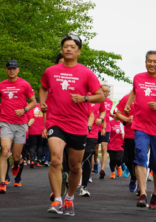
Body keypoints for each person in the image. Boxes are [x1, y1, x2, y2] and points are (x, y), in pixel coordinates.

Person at [41, 35, 103, 216]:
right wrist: (43, 102)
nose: (68, 49)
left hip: (77, 124)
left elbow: (100, 96)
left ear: (78, 51)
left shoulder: (86, 73)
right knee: (55, 159)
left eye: (72, 47)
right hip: (56, 121)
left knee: (75, 166)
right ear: (61, 50)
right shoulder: (51, 71)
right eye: (65, 46)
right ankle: (57, 200)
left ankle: (69, 198)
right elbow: (43, 87)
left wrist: (84, 98)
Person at [124, 50, 156, 210]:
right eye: (149, 61)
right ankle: (142, 193)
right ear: (145, 62)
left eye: (155, 61)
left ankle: (155, 193)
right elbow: (134, 91)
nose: (151, 64)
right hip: (141, 126)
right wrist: (128, 103)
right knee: (140, 155)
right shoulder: (138, 78)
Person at [0, 59, 36, 193]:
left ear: (18, 70)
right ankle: (2, 183)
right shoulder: (0, 85)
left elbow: (33, 102)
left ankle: (16, 164)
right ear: (6, 70)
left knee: (16, 157)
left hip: (21, 123)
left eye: (14, 68)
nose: (11, 71)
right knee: (5, 151)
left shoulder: (24, 84)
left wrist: (24, 110)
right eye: (9, 68)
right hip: (5, 122)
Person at [78, 86, 105, 196]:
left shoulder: (98, 97)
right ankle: (71, 179)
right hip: (77, 131)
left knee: (87, 157)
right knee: (74, 159)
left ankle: (83, 187)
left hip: (92, 133)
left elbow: (103, 111)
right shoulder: (79, 95)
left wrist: (101, 119)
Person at [114, 91, 139, 193]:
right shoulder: (126, 98)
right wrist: (127, 119)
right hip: (129, 134)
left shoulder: (147, 98)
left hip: (144, 134)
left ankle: (142, 187)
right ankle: (133, 177)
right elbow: (117, 113)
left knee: (141, 160)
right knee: (129, 161)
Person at [97, 85, 113, 180]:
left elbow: (107, 113)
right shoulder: (96, 99)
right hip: (95, 126)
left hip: (106, 127)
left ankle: (102, 169)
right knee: (94, 150)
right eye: (104, 91)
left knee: (104, 148)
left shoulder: (110, 102)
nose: (106, 93)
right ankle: (94, 164)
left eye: (107, 91)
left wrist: (113, 115)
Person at [107, 107, 125, 179]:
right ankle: (113, 172)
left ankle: (119, 166)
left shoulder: (123, 123)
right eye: (114, 114)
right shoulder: (110, 123)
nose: (116, 115)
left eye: (117, 114)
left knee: (118, 159)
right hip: (112, 144)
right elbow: (108, 133)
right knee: (112, 160)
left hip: (120, 144)